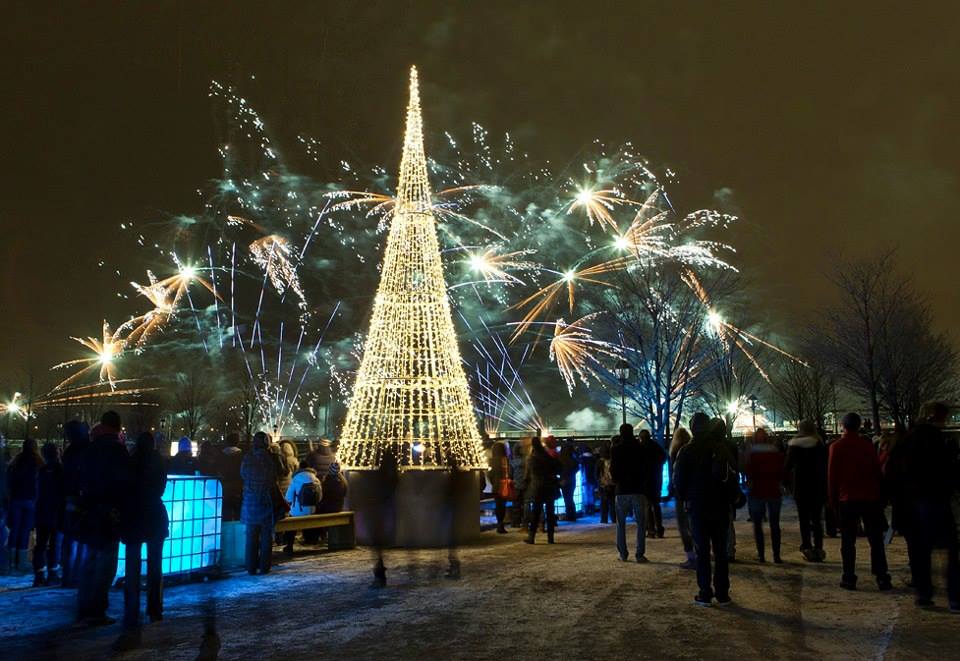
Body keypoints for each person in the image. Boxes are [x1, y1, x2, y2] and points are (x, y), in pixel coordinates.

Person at [886, 401, 959, 610]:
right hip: (936, 499)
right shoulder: (939, 441)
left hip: (912, 502)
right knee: (951, 550)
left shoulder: (906, 441)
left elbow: (893, 475)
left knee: (920, 551)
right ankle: (954, 596)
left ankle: (924, 593)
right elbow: (949, 471)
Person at [114, 432, 169, 651]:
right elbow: (161, 487)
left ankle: (131, 612)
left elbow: (123, 489)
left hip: (134, 517)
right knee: (155, 565)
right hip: (154, 514)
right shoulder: (158, 462)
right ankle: (155, 609)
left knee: (132, 567)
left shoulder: (130, 461)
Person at [77, 411, 132, 626]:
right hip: (110, 512)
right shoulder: (118, 451)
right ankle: (97, 610)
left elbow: (81, 478)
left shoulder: (91, 448)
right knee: (106, 561)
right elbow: (124, 484)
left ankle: (84, 606)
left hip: (90, 511)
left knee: (90, 559)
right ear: (118, 428)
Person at [674, 413, 736, 605]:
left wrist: (684, 498)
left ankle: (705, 592)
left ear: (693, 427)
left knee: (702, 552)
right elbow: (732, 475)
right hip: (720, 505)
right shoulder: (720, 447)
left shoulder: (686, 451)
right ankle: (723, 593)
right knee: (720, 551)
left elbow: (679, 482)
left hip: (697, 507)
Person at [828, 412, 892, 591]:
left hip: (847, 497)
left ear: (843, 426)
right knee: (875, 539)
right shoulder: (867, 446)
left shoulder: (837, 447)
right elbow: (876, 471)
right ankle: (881, 575)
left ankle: (849, 576)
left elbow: (833, 476)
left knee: (848, 541)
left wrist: (833, 501)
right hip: (869, 497)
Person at [785, 420, 828, 562]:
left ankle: (807, 546)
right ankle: (819, 547)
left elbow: (787, 466)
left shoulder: (794, 445)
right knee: (817, 519)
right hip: (817, 486)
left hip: (801, 486)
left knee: (804, 519)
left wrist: (787, 484)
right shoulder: (819, 444)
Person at [744, 428, 785, 563]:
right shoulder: (775, 453)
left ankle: (761, 554)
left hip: (757, 490)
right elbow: (781, 471)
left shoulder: (751, 453)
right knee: (775, 524)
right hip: (773, 490)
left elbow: (748, 471)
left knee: (757, 525)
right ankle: (776, 554)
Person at [611, 423, 650, 562]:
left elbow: (613, 469)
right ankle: (639, 554)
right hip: (638, 489)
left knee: (620, 524)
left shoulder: (615, 449)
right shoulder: (640, 448)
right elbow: (646, 468)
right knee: (641, 523)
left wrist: (617, 481)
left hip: (621, 490)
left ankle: (623, 553)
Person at [241, 431, 278, 575]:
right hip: (265, 500)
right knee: (266, 536)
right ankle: (264, 567)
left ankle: (250, 567)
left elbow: (243, 474)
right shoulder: (270, 459)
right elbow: (274, 477)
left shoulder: (247, 458)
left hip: (250, 501)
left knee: (251, 536)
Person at [60, 420, 90, 587]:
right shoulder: (87, 450)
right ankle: (77, 575)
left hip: (70, 498)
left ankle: (68, 575)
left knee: (70, 538)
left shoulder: (70, 451)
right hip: (82, 498)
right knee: (82, 539)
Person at [6, 438, 42, 574]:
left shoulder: (16, 462)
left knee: (14, 529)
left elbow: (10, 481)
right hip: (31, 499)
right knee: (25, 530)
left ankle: (11, 562)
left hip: (16, 498)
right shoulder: (38, 462)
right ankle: (22, 562)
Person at [33, 442, 65, 586]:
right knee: (55, 544)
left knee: (40, 544)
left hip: (42, 512)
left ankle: (39, 575)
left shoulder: (41, 471)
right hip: (56, 512)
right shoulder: (61, 470)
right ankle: (53, 573)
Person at [524, 437, 561, 545]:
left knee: (535, 512)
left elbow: (527, 476)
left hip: (537, 487)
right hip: (549, 487)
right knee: (550, 512)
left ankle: (531, 537)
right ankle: (551, 538)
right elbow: (558, 467)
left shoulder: (532, 459)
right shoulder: (548, 457)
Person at [282, 461, 322, 555]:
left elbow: (288, 498)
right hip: (312, 510)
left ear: (300, 468)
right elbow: (320, 498)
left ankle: (289, 545)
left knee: (290, 522)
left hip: (298, 511)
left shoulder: (295, 479)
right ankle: (311, 539)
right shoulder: (316, 479)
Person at [670, 427, 696, 569]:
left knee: (683, 525)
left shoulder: (676, 452)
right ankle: (701, 551)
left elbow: (677, 475)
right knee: (695, 524)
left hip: (682, 494)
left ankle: (691, 556)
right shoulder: (693, 450)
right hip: (695, 492)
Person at [640, 429, 667, 539]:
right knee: (656, 505)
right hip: (656, 479)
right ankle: (659, 528)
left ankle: (651, 530)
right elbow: (664, 458)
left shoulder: (640, 448)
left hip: (645, 481)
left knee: (647, 506)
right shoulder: (656, 447)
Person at [489, 441, 511, 534]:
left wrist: (494, 482)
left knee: (498, 505)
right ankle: (501, 525)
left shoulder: (492, 461)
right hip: (504, 485)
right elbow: (509, 472)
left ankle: (499, 524)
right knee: (502, 506)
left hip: (496, 486)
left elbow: (490, 474)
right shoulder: (505, 460)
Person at [509, 439, 529, 528]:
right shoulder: (526, 461)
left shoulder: (512, 462)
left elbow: (510, 474)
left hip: (516, 484)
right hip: (525, 484)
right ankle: (526, 521)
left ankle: (516, 522)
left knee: (516, 504)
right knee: (525, 504)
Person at [596, 440, 617, 525]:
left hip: (602, 484)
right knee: (612, 502)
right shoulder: (613, 461)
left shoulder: (599, 462)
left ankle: (604, 519)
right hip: (612, 484)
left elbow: (596, 474)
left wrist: (598, 481)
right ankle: (614, 518)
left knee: (603, 502)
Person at [558, 444, 579, 522]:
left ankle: (569, 515)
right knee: (570, 497)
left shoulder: (561, 459)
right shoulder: (573, 459)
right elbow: (577, 468)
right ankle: (572, 515)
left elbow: (558, 469)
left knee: (566, 498)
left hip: (563, 479)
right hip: (572, 480)